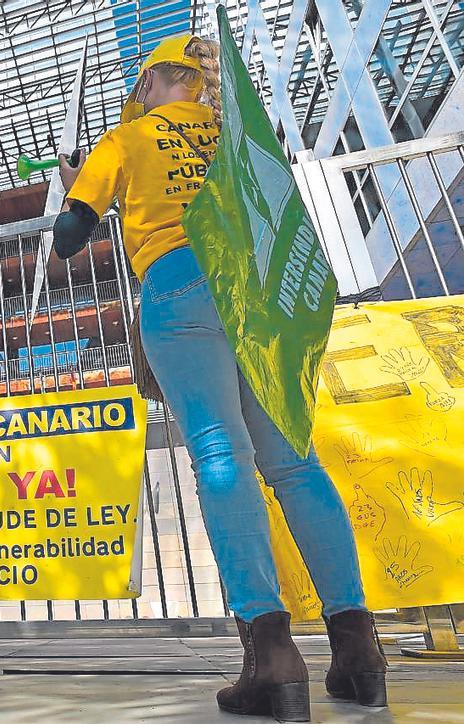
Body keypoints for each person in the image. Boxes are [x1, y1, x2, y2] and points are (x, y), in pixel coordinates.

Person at [45, 35, 386, 721]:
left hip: (179, 284)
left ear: (148, 85)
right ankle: (358, 650)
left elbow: (69, 235)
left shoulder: (126, 137)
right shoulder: (236, 135)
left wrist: (81, 183)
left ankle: (271, 654)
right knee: (294, 463)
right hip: (258, 291)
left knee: (220, 454)